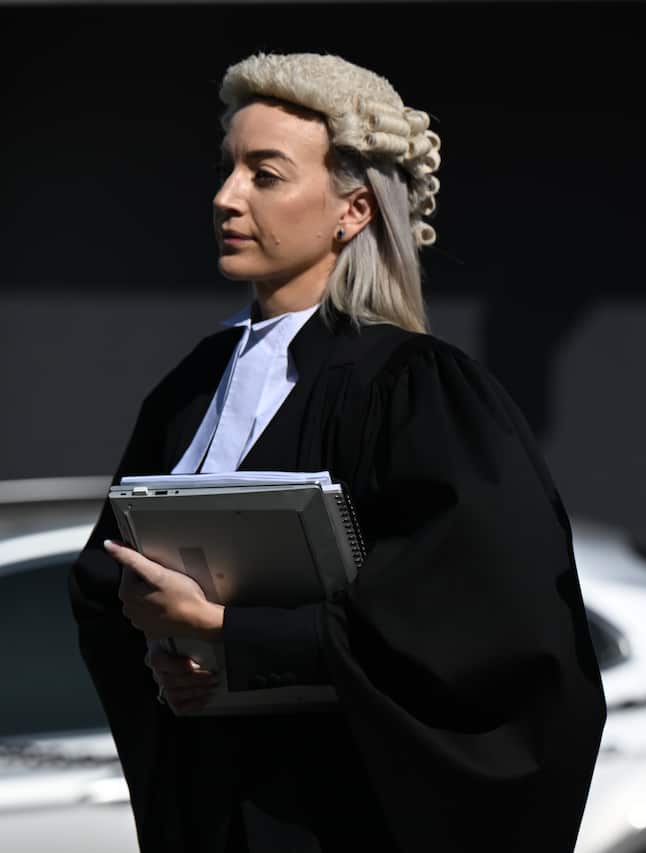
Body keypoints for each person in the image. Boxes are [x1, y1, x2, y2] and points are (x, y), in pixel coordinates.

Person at [69, 52, 605, 852]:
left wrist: (235, 630)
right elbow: (105, 576)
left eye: (266, 175)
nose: (226, 198)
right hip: (214, 810)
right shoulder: (190, 387)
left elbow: (483, 622)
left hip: (338, 816)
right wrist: (167, 652)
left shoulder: (415, 387)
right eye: (227, 169)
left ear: (352, 211)